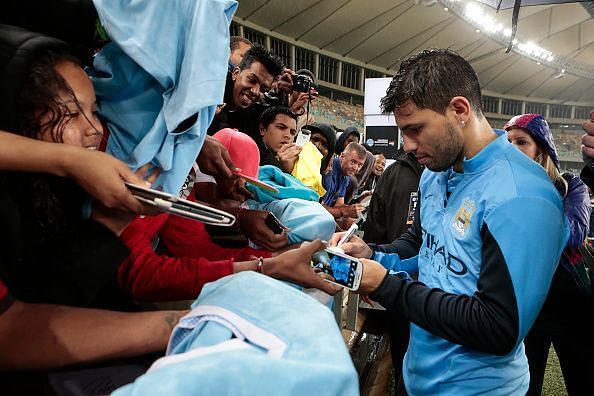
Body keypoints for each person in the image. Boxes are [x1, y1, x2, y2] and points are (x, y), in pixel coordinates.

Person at [329, 49, 568, 395]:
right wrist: (373, 255)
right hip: (416, 376)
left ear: (459, 110)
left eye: (416, 129)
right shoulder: (435, 172)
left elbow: (498, 327)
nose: (407, 146)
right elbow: (423, 247)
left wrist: (386, 286)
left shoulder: (523, 195)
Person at [504, 113, 593, 396]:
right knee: (526, 386)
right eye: (508, 143)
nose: (513, 148)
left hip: (572, 304)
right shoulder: (502, 189)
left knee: (581, 380)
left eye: (522, 142)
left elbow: (573, 233)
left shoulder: (570, 185)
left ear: (541, 148)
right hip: (528, 306)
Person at [321, 142, 365, 224]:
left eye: (360, 165)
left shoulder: (346, 176)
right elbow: (316, 207)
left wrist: (353, 209)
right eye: (353, 162)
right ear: (342, 156)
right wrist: (344, 211)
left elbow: (339, 204)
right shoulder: (329, 169)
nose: (355, 168)